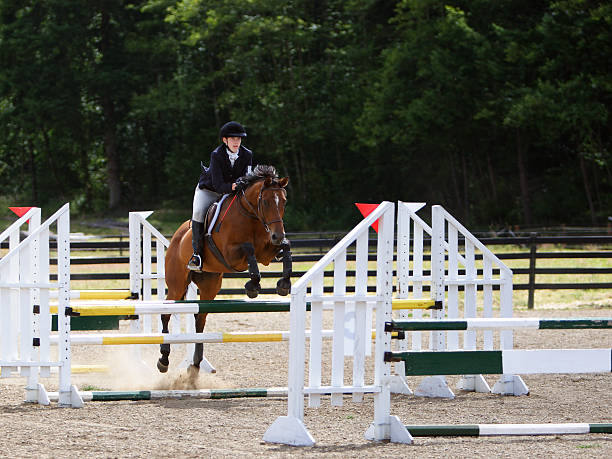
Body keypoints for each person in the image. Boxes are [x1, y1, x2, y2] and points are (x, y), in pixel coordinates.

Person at [187, 121, 253, 271]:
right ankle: (196, 254)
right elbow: (217, 184)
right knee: (198, 213)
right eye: (233, 139)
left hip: (233, 191)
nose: (237, 142)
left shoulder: (247, 154)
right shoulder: (216, 155)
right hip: (209, 190)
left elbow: (247, 176)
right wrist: (233, 186)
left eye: (239, 139)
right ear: (225, 140)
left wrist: (243, 184)